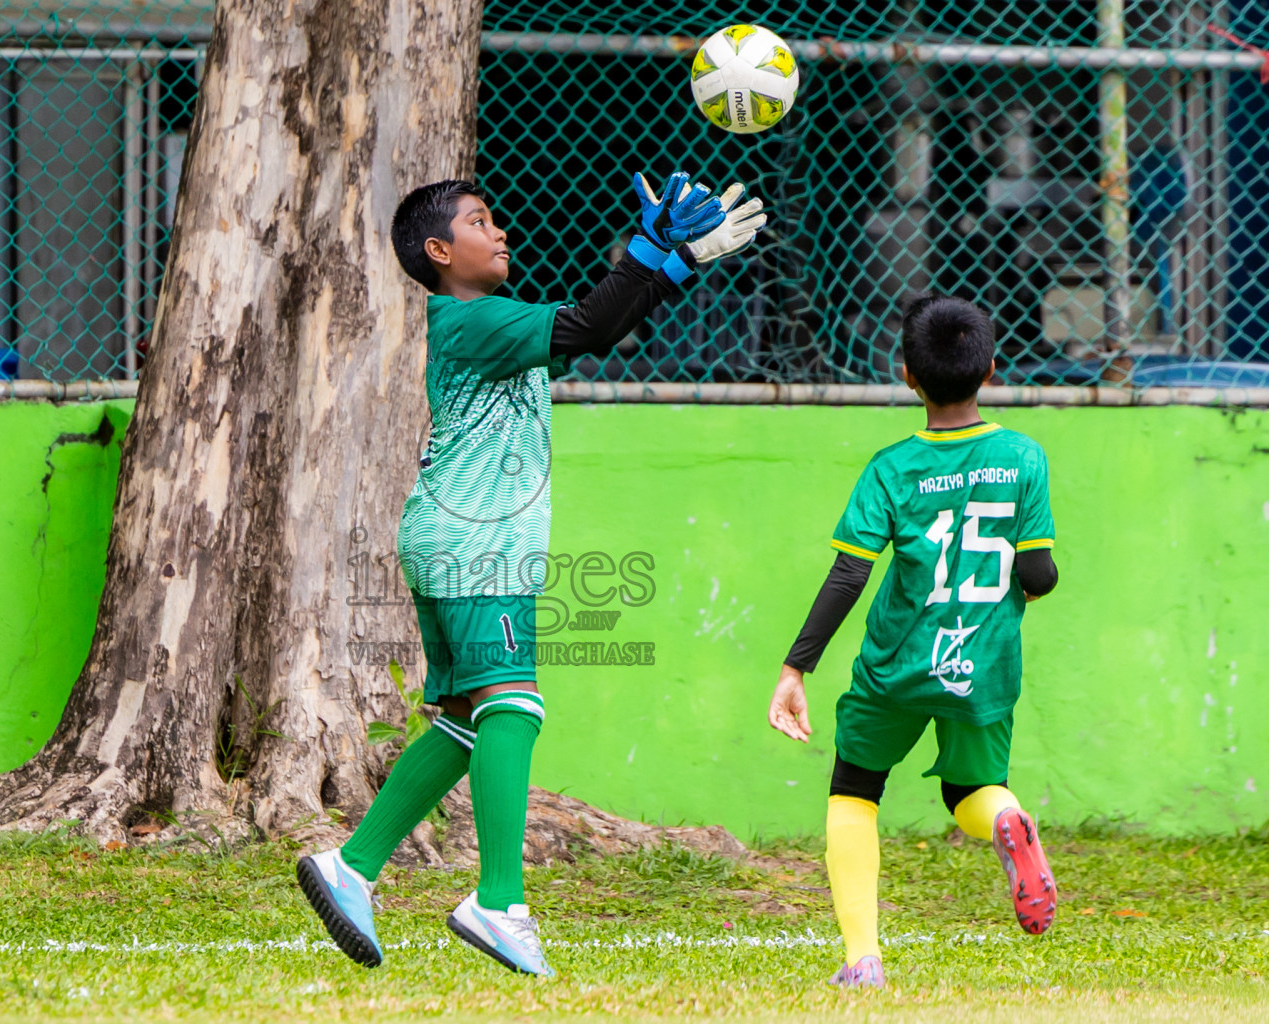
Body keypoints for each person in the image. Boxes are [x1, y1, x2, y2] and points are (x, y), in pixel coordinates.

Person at [295, 173, 767, 976]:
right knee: (516, 705)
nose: (501, 232)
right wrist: (652, 253)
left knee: (462, 719)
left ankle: (352, 868)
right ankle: (500, 901)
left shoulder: (486, 321)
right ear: (441, 252)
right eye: (481, 223)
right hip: (478, 545)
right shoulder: (476, 320)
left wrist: (676, 263)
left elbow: (597, 326)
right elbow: (586, 327)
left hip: (453, 538)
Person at [767, 295, 1061, 988]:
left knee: (856, 789)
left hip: (897, 664)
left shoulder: (892, 468)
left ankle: (862, 958)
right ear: (991, 369)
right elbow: (1039, 573)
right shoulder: (1022, 455)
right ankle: (1009, 821)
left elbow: (849, 575)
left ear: (905, 374)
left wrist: (794, 666)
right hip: (984, 663)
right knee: (973, 787)